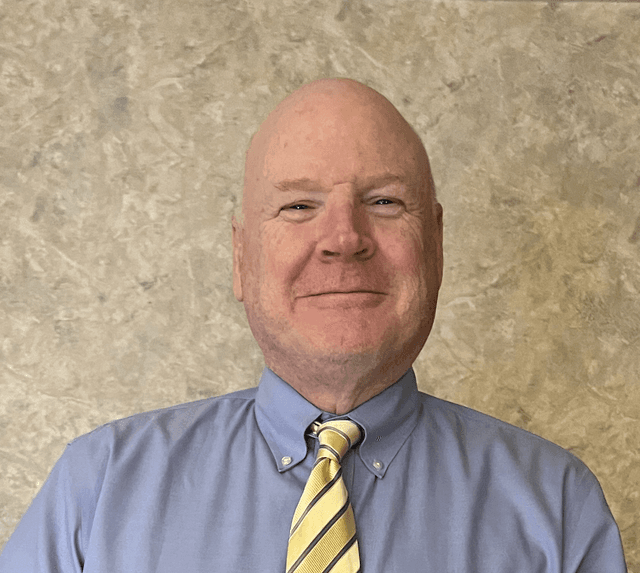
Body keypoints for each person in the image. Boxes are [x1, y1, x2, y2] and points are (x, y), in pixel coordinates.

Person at [0, 78, 627, 572]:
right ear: (241, 259)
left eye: (384, 202)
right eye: (299, 205)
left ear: (435, 246)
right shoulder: (96, 489)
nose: (344, 238)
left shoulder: (558, 506)